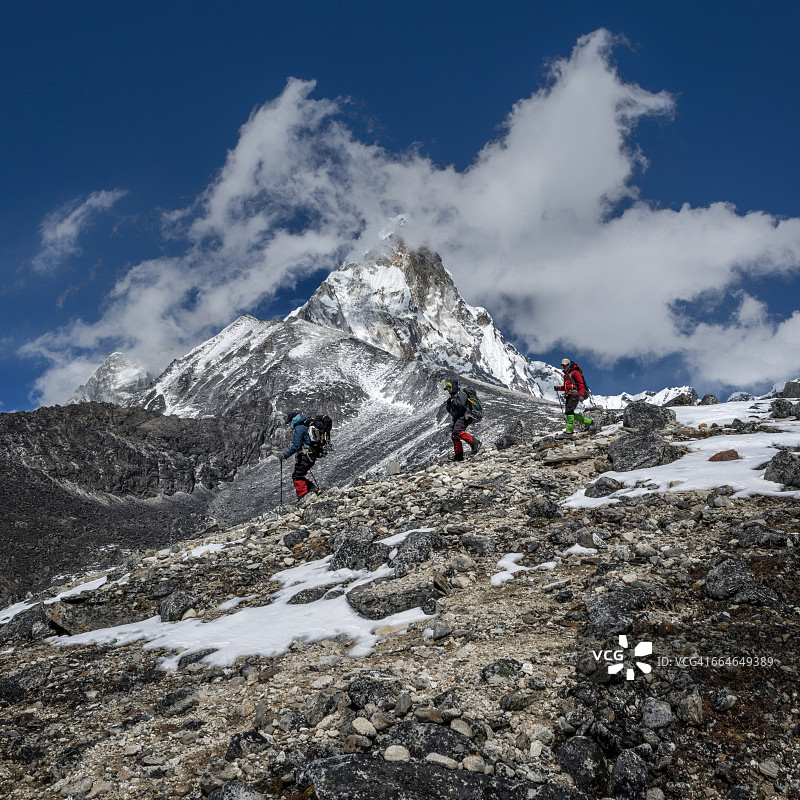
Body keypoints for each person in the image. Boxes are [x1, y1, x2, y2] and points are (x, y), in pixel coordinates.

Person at [278, 411, 320, 503]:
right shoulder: (304, 426)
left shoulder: (299, 428)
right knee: (299, 474)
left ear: (293, 420)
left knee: (297, 476)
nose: (289, 424)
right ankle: (314, 490)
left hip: (306, 455)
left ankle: (303, 498)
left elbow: (296, 446)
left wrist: (285, 455)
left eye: (289, 422)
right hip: (310, 455)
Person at [554, 358, 596, 434]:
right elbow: (566, 387)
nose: (563, 367)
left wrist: (581, 395)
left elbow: (580, 384)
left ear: (569, 364)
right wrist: (558, 388)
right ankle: (589, 422)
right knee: (570, 412)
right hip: (569, 395)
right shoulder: (567, 375)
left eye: (565, 365)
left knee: (569, 412)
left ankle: (569, 430)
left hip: (574, 395)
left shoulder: (575, 373)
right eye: (562, 365)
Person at [445, 379, 482, 461]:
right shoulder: (453, 396)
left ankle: (475, 442)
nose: (448, 390)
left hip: (465, 416)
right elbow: (451, 410)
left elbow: (461, 403)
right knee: (454, 436)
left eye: (449, 388)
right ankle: (458, 456)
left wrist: (452, 401)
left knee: (457, 432)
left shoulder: (461, 394)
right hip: (458, 418)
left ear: (453, 387)